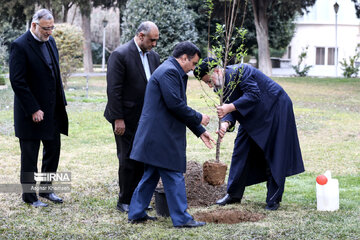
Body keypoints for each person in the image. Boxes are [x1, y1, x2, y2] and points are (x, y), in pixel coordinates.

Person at [194, 57, 305, 210]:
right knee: (241, 149)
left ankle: (273, 199)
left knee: (274, 152)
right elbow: (229, 107)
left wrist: (229, 107)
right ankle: (233, 194)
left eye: (209, 81)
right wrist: (225, 124)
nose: (209, 86)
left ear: (217, 71)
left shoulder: (242, 71)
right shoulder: (220, 85)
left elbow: (253, 94)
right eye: (206, 83)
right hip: (252, 115)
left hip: (275, 108)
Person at [128, 42, 215, 228]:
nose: (193, 68)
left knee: (151, 175)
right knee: (174, 173)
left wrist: (200, 131)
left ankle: (136, 212)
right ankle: (182, 219)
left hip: (158, 134)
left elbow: (176, 108)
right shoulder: (169, 71)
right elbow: (175, 104)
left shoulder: (173, 71)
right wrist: (199, 118)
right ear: (183, 58)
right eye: (193, 63)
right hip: (161, 136)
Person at [9, 9, 68, 207]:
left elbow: (54, 73)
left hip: (52, 111)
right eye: (45, 28)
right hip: (30, 113)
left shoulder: (50, 41)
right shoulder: (19, 45)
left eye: (52, 28)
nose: (49, 32)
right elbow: (17, 81)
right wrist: (34, 108)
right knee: (30, 156)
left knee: (53, 150)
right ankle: (29, 196)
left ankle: (46, 189)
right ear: (34, 25)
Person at [104, 21, 160, 213]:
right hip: (125, 118)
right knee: (128, 159)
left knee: (143, 159)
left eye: (156, 41)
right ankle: (125, 201)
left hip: (145, 118)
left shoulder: (154, 57)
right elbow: (113, 90)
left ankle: (140, 199)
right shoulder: (119, 55)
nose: (154, 44)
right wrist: (118, 118)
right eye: (152, 40)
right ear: (141, 36)